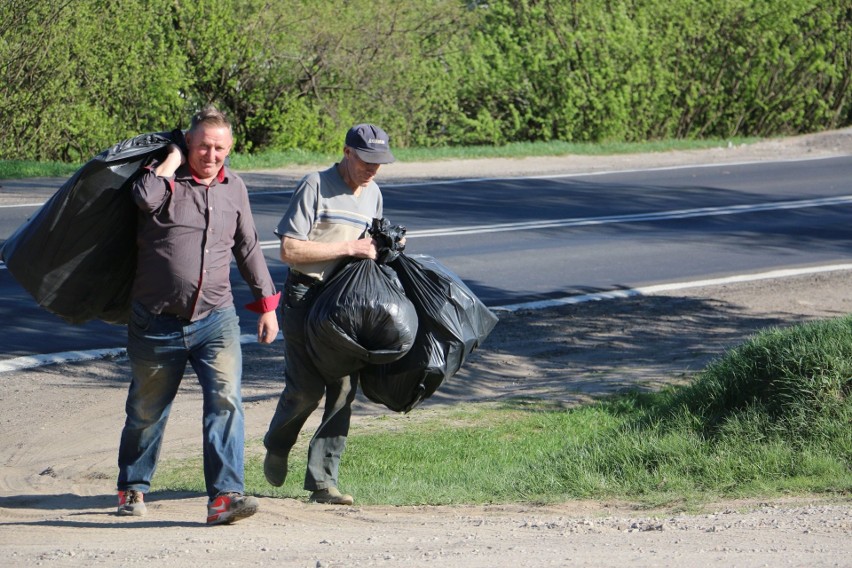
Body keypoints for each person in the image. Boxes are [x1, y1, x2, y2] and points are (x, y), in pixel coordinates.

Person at [115, 105, 280, 525]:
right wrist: (169, 161)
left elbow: (248, 248)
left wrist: (267, 306)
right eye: (203, 145)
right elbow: (143, 199)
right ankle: (132, 487)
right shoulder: (162, 180)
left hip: (216, 318)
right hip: (157, 320)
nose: (211, 154)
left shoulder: (234, 187)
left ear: (230, 149)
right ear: (188, 142)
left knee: (226, 402)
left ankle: (224, 497)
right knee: (147, 410)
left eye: (219, 147)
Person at [263, 123, 396, 505]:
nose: (372, 169)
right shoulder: (315, 185)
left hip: (346, 305)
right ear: (347, 152)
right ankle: (277, 441)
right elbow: (289, 251)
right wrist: (349, 248)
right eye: (366, 160)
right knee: (305, 390)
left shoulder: (374, 194)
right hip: (305, 296)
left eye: (379, 162)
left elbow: (368, 247)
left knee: (341, 391)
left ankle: (323, 483)